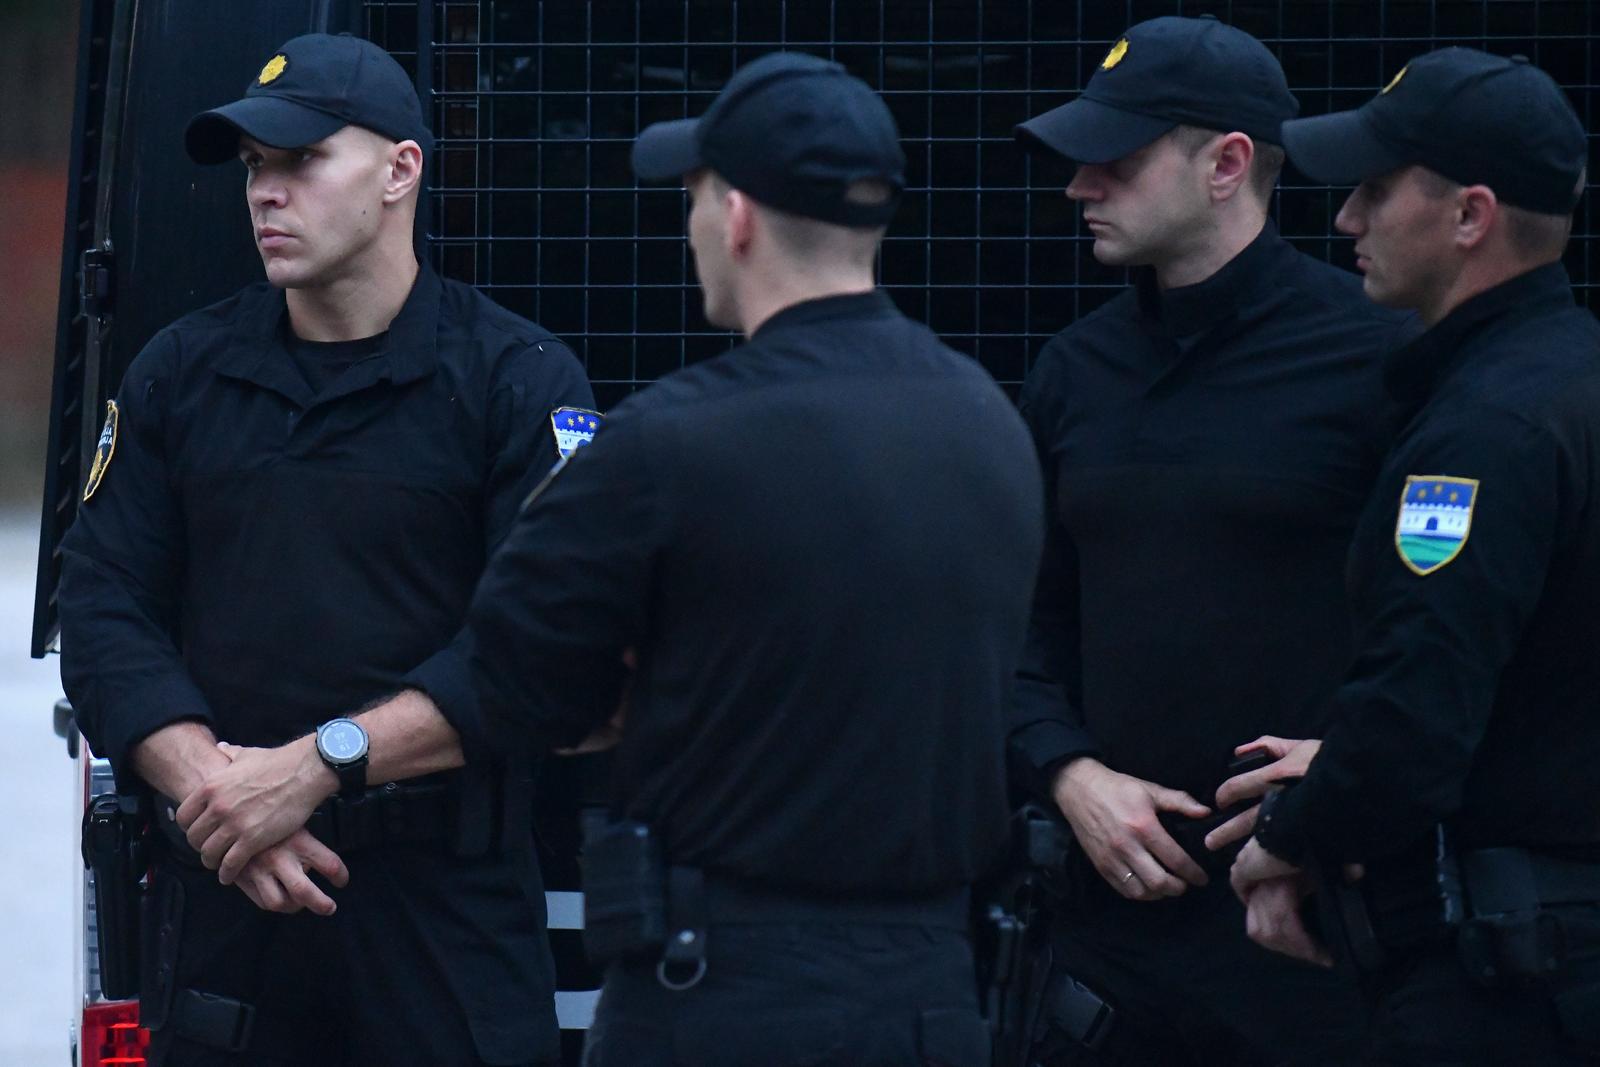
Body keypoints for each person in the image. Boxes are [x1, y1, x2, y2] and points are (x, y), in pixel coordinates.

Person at [451, 51, 1044, 1066]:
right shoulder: (993, 427)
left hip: (718, 995)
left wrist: (663, 673)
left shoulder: (668, 441)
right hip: (934, 997)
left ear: (735, 215)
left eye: (689, 197)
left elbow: (511, 685)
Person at [59, 32, 594, 1066]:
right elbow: (103, 605)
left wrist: (313, 767)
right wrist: (219, 794)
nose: (267, 191)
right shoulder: (183, 372)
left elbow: (541, 650)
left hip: (440, 911)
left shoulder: (516, 382)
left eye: (302, 160)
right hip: (230, 905)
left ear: (401, 170)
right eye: (256, 167)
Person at [1006, 15, 1408, 1064]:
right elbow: (1016, 621)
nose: (1078, 186)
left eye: (1116, 160)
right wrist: (1065, 771)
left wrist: (1349, 775)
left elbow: (1452, 627)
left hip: (1312, 938)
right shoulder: (1071, 370)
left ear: (1227, 163)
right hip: (1104, 946)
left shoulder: (1378, 357)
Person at [1224, 47, 1600, 1064]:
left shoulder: (1483, 433)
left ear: (1469, 215)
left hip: (1501, 983)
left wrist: (1289, 835)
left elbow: (1415, 716)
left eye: (1374, 191)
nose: (1344, 219)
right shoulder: (1567, 385)